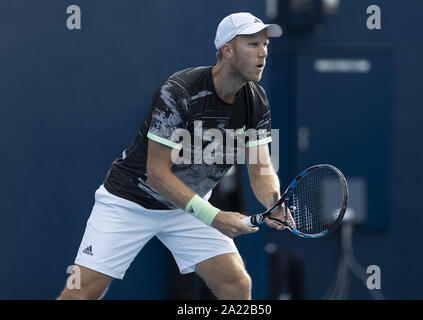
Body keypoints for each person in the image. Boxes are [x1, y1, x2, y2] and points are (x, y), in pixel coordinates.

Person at [58, 12, 289, 300]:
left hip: (186, 207)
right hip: (129, 202)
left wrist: (274, 201)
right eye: (253, 44)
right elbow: (157, 174)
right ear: (227, 51)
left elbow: (261, 169)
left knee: (237, 286)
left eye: (266, 44)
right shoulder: (179, 90)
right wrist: (215, 217)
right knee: (81, 293)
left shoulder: (256, 100)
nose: (263, 52)